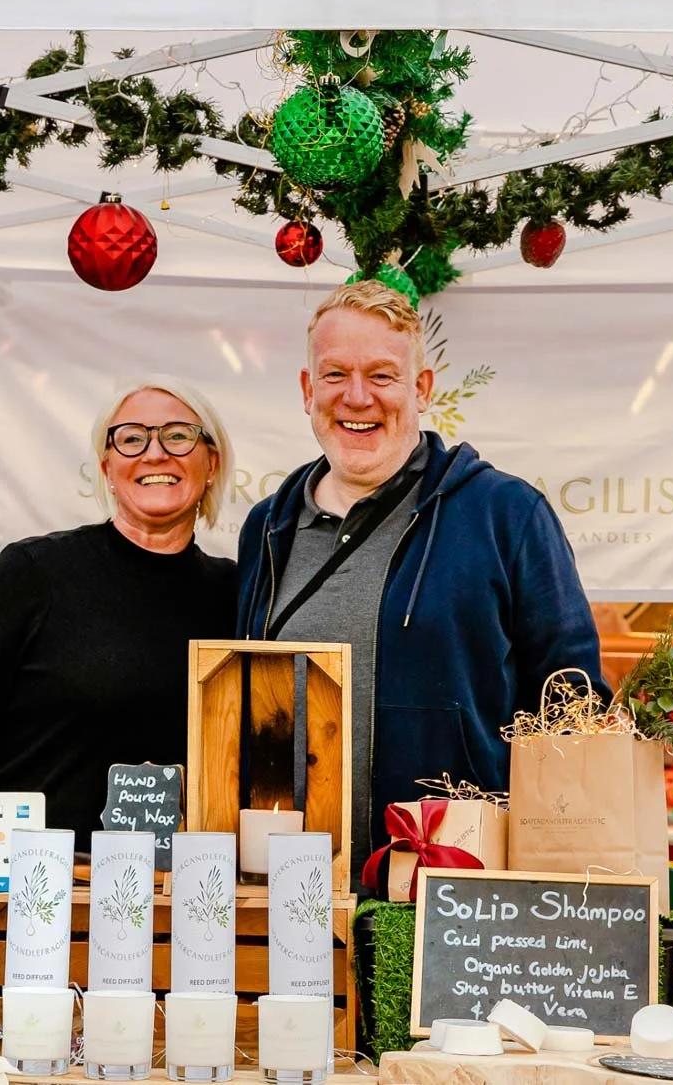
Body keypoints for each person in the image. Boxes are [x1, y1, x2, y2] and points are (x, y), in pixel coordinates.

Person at [234, 280, 602, 872]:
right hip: (291, 886)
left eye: (382, 376)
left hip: (451, 883)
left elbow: (571, 704)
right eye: (335, 376)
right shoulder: (268, 529)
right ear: (307, 391)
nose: (357, 398)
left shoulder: (505, 514)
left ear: (421, 389)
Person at [0, 376, 237, 850]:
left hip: (175, 902)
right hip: (29, 898)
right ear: (107, 468)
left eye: (179, 435)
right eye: (131, 438)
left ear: (212, 463)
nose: (155, 453)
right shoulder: (32, 574)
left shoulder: (235, 593)